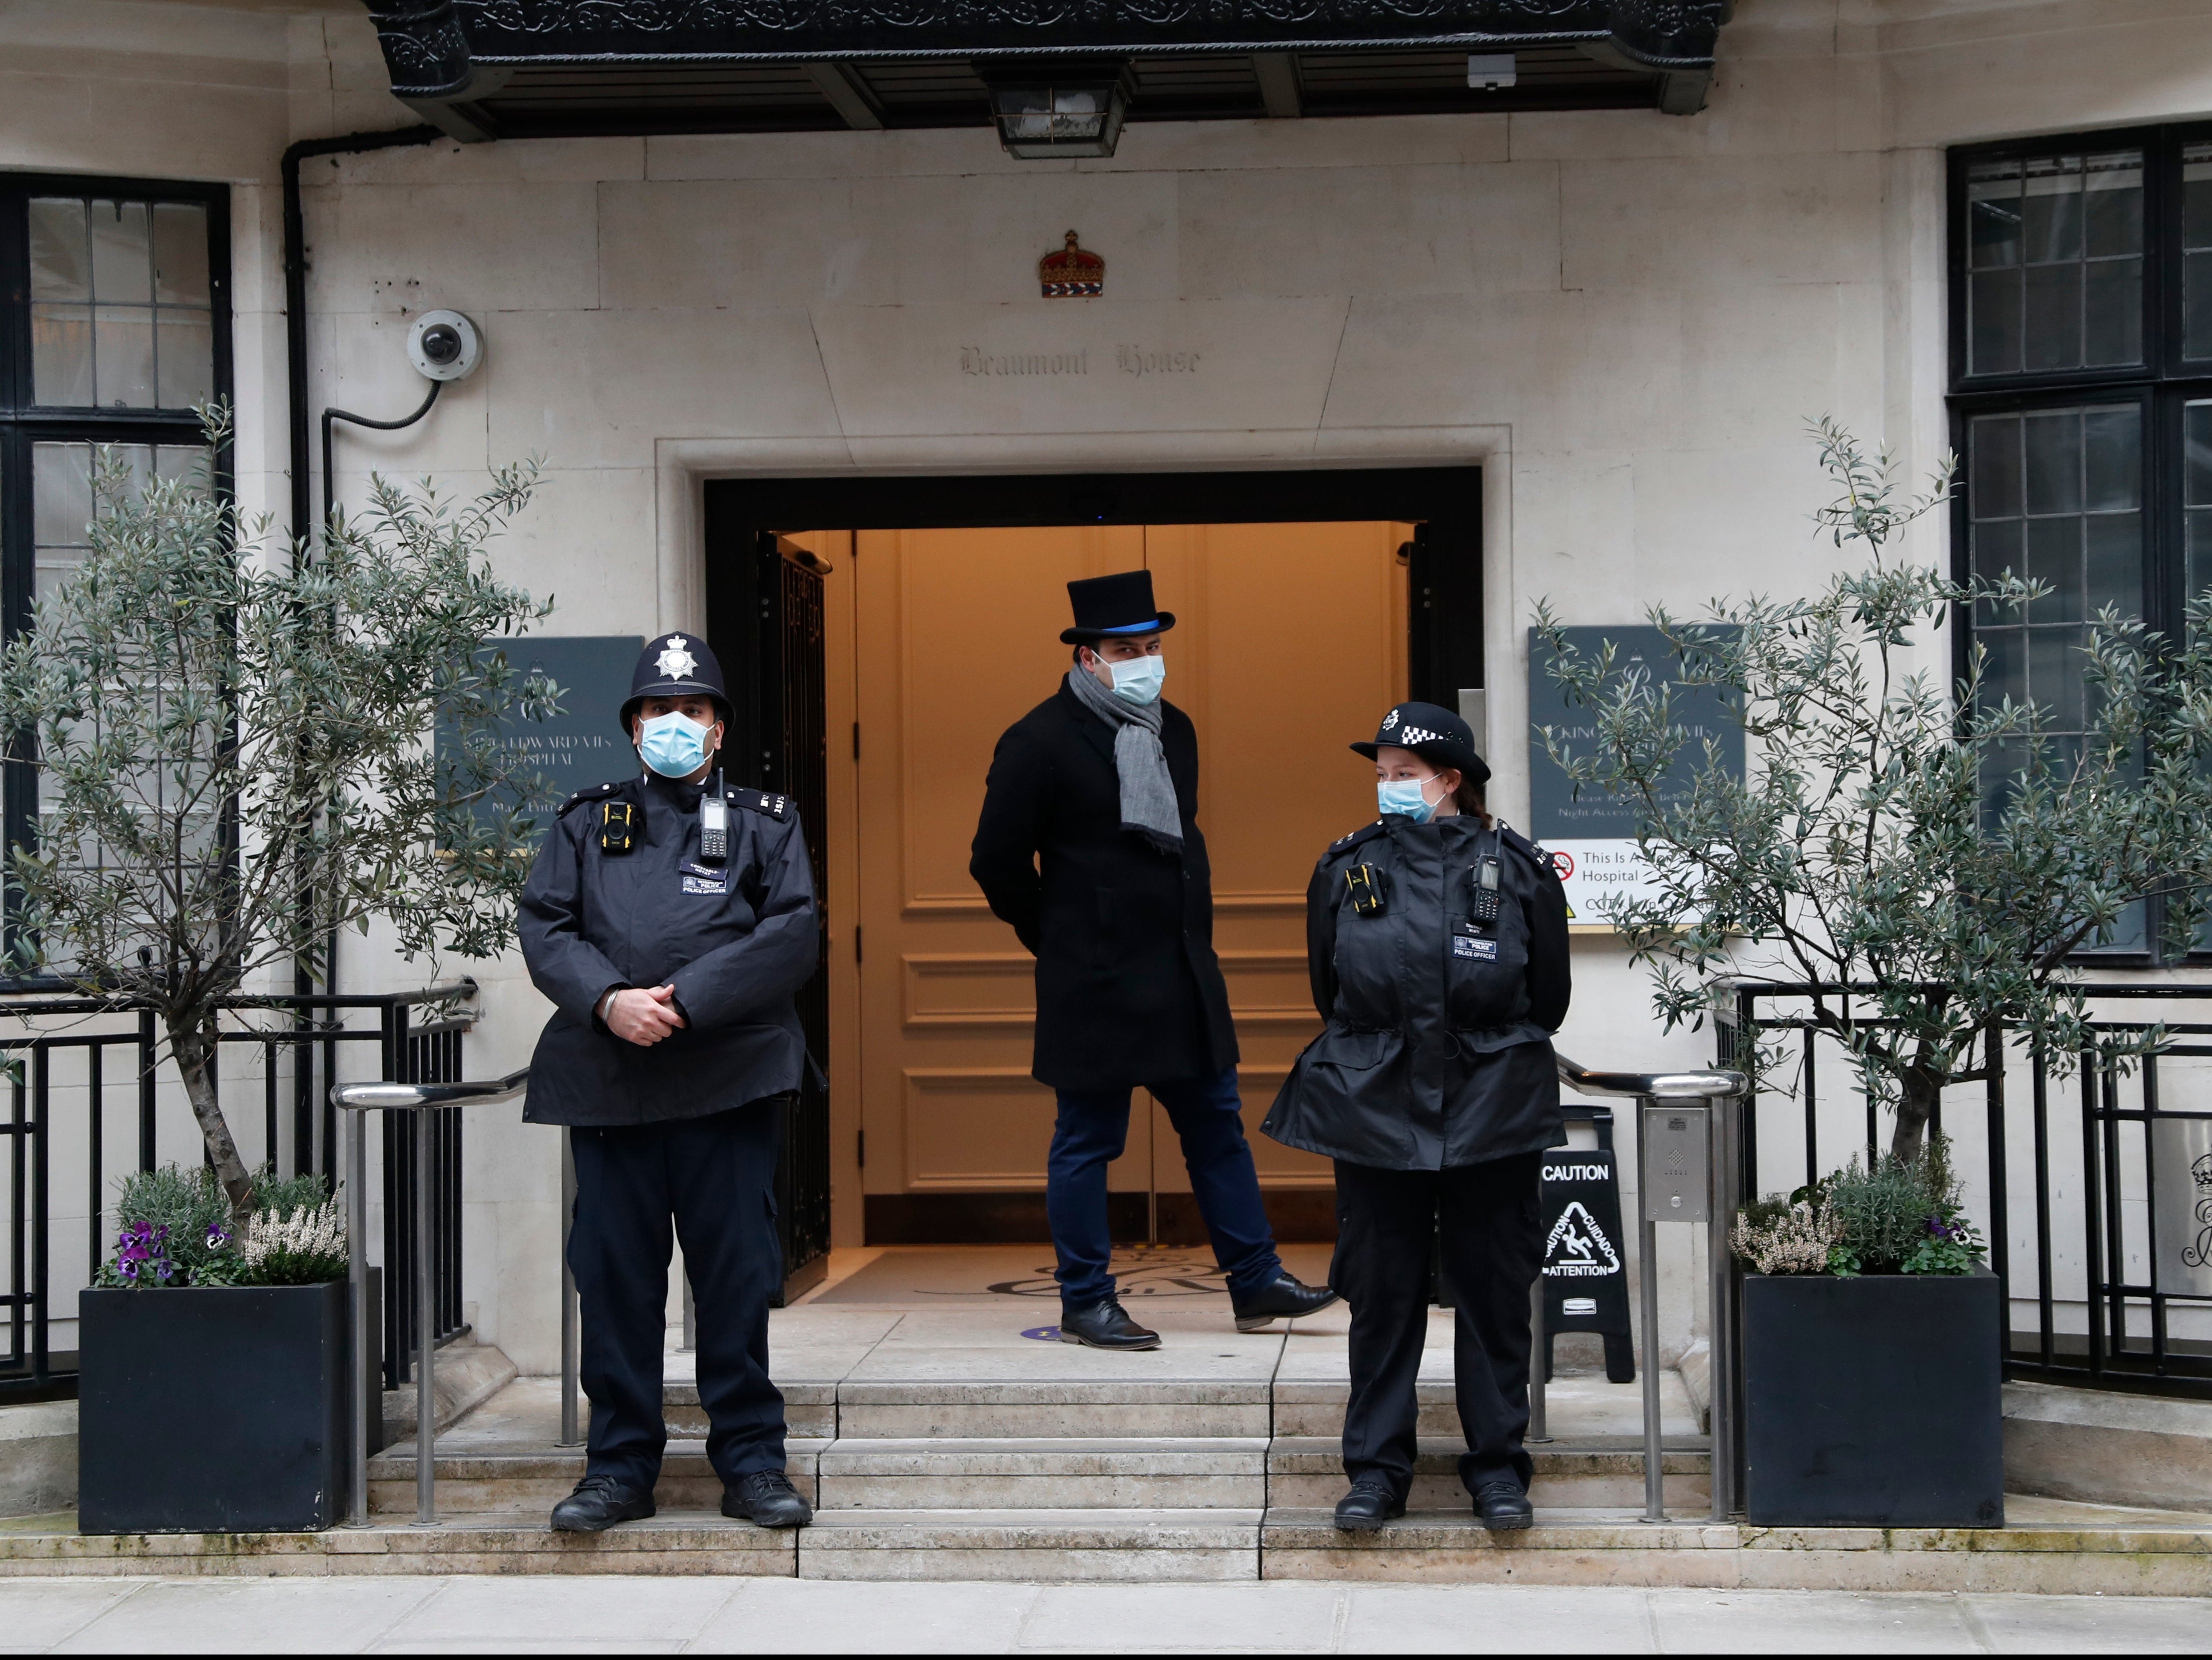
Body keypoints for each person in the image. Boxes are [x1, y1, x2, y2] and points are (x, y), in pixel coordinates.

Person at [970, 570, 1338, 1350]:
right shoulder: (1037, 739)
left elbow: (1179, 844)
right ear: (1088, 657)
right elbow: (995, 862)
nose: (1144, 660)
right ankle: (1085, 1299)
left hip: (1181, 972)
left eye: (1152, 645)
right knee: (1087, 1141)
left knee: (1217, 1128)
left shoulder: (1176, 727)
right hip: (1093, 979)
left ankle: (1255, 1277)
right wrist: (1062, 935)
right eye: (1125, 649)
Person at [519, 632, 819, 1534]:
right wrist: (610, 1000)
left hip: (727, 1085)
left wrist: (684, 1001)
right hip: (612, 1089)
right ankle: (618, 1468)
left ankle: (753, 1461)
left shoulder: (768, 821)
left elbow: (793, 931)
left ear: (719, 728)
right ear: (635, 724)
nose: (675, 724)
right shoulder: (585, 820)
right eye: (659, 709)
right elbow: (546, 926)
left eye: (693, 710)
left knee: (734, 1279)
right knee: (615, 1285)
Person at [1262, 701, 1570, 1533]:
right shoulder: (1347, 866)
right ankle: (1375, 1473)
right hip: (1377, 1109)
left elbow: (1549, 999)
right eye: (1382, 774)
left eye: (1405, 775)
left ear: (1451, 780)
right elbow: (1330, 992)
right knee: (1382, 1292)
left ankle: (1499, 1470)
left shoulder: (1520, 869)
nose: (1389, 787)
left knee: (1495, 1291)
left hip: (1490, 1110)